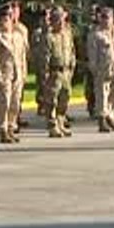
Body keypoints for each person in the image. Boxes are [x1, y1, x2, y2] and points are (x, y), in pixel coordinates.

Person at [0, 5, 28, 144]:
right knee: (4, 102)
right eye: (3, 20)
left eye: (7, 19)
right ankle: (3, 129)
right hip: (5, 73)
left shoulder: (18, 36)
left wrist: (24, 72)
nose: (5, 22)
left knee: (15, 103)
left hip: (17, 73)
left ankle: (12, 126)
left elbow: (22, 56)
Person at [87, 7, 114, 133]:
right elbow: (92, 54)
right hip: (102, 69)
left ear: (112, 18)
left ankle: (110, 115)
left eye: (108, 17)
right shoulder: (95, 34)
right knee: (102, 94)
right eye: (103, 17)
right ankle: (102, 119)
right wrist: (94, 69)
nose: (105, 20)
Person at [41, 8, 75, 138]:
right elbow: (45, 57)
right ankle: (52, 125)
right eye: (57, 20)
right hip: (54, 72)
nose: (61, 23)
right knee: (51, 101)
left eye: (62, 20)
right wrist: (45, 74)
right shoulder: (49, 37)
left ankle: (60, 122)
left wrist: (72, 67)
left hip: (66, 72)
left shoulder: (67, 35)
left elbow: (72, 52)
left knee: (65, 98)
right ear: (52, 22)